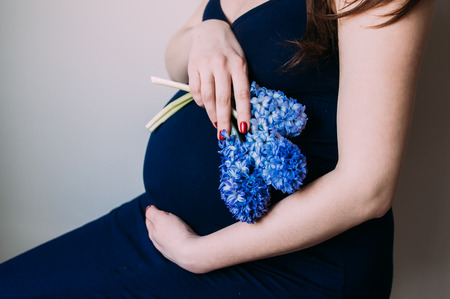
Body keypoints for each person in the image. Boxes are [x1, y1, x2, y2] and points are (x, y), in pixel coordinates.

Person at [0, 0, 434, 297]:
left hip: (292, 267)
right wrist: (209, 31)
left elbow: (367, 188)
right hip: (166, 229)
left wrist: (199, 254)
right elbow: (175, 58)